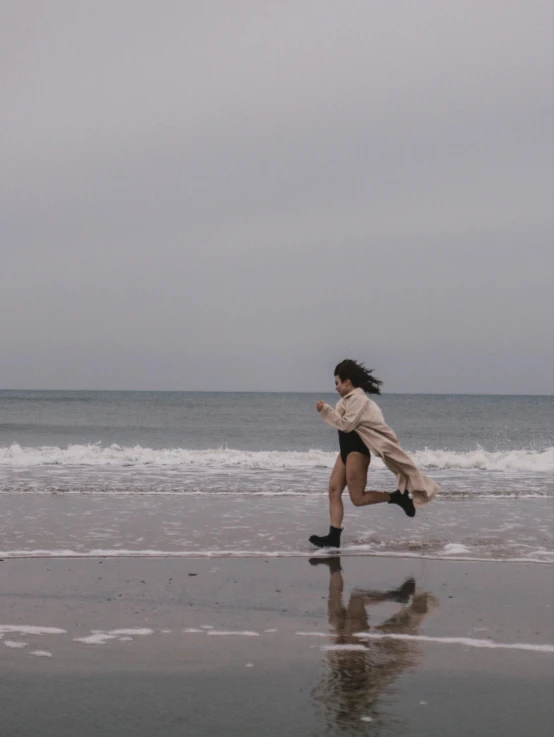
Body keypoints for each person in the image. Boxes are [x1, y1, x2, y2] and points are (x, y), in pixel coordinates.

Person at [310, 359, 439, 548]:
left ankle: (397, 497)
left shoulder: (360, 400)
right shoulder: (345, 401)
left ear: (347, 381)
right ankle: (333, 536)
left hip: (357, 452)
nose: (336, 387)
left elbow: (347, 425)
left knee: (357, 499)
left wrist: (325, 411)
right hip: (345, 452)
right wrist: (330, 410)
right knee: (333, 490)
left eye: (337, 383)